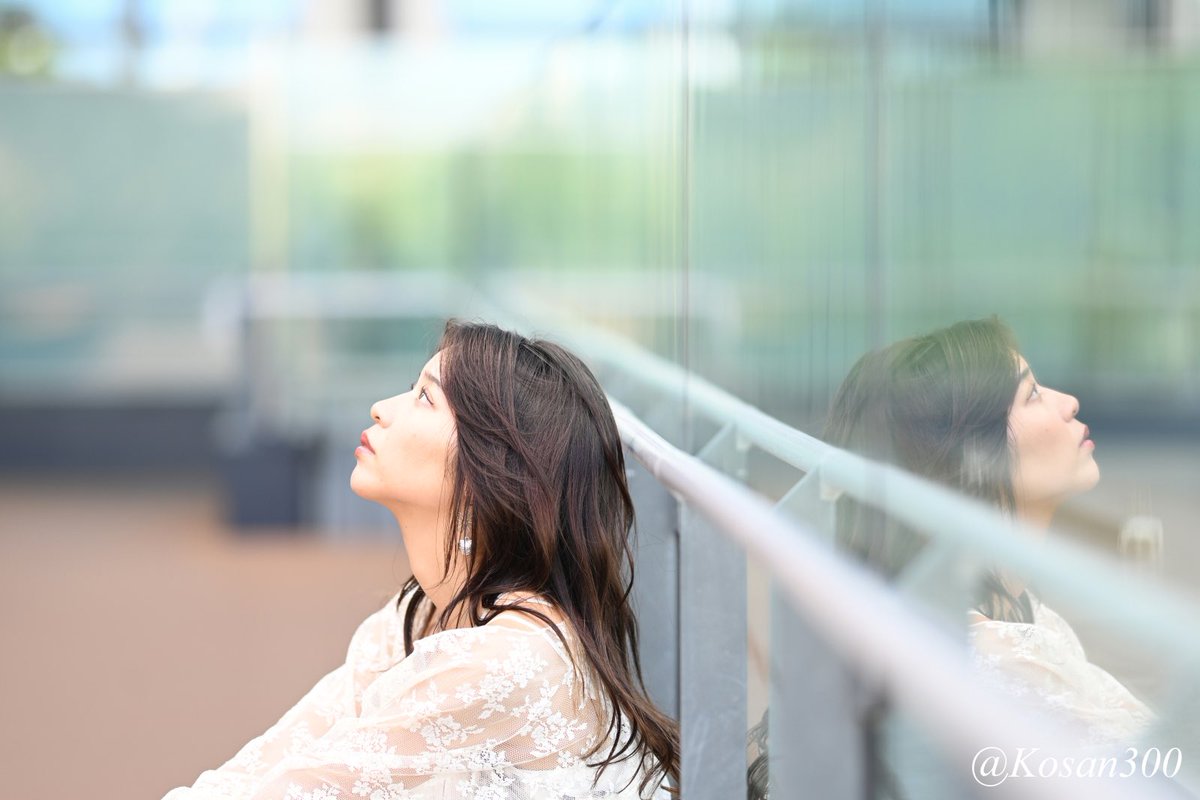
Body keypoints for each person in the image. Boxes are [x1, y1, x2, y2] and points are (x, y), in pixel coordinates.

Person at [163, 320, 679, 800]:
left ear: (489, 471)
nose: (381, 408)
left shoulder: (507, 660)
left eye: (424, 398)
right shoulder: (415, 616)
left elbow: (300, 789)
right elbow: (277, 759)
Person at [822, 317, 1152, 747]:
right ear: (973, 462)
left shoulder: (1001, 613)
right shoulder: (998, 663)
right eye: (1032, 395)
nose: (1069, 402)